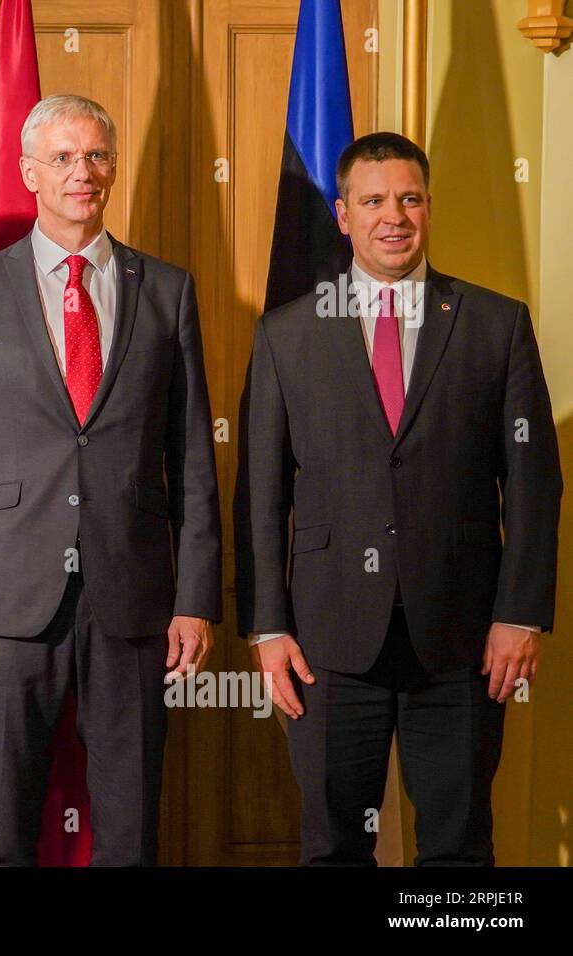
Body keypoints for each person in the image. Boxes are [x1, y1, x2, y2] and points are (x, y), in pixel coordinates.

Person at [235, 131, 562, 865]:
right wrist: (266, 628)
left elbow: (535, 484)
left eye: (410, 198)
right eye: (375, 200)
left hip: (463, 640)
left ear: (428, 207)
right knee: (333, 849)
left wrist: (520, 613)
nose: (395, 216)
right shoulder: (287, 334)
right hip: (325, 644)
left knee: (458, 848)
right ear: (344, 214)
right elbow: (258, 495)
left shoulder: (494, 323)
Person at [0, 94, 222, 866]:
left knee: (130, 832)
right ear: (28, 174)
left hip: (133, 598)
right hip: (5, 603)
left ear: (112, 168)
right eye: (62, 157)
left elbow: (191, 463)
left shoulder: (168, 289)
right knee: (4, 831)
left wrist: (194, 600)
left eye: (94, 156)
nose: (80, 173)